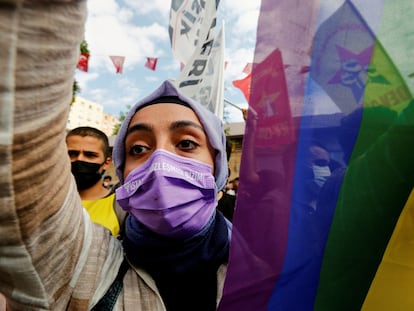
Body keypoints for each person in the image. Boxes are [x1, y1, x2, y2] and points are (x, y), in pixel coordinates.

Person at [0, 3, 229, 309]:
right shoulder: (84, 269)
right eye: (138, 149)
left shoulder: (276, 268)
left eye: (186, 144)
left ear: (219, 168)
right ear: (122, 171)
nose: (159, 161)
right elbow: (18, 161)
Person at [66, 126, 125, 237]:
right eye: (72, 154)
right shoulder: (46, 201)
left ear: (107, 163)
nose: (80, 159)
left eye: (90, 155)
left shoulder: (121, 208)